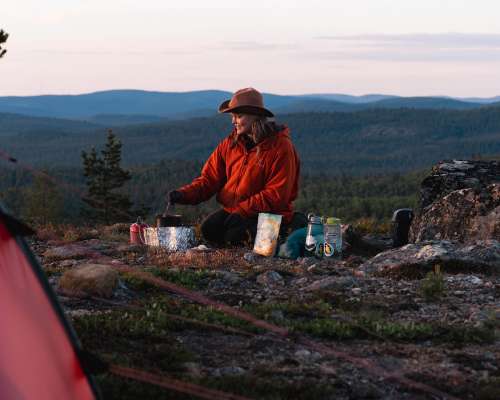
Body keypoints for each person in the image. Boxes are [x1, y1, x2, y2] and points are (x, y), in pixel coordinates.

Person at [167, 87, 304, 246]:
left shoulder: (281, 147)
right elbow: (209, 179)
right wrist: (183, 195)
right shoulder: (230, 144)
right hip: (236, 211)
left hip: (270, 215)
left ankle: (290, 228)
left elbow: (276, 195)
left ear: (255, 117)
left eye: (238, 116)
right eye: (233, 116)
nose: (233, 121)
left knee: (235, 236)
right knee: (209, 230)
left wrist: (242, 211)